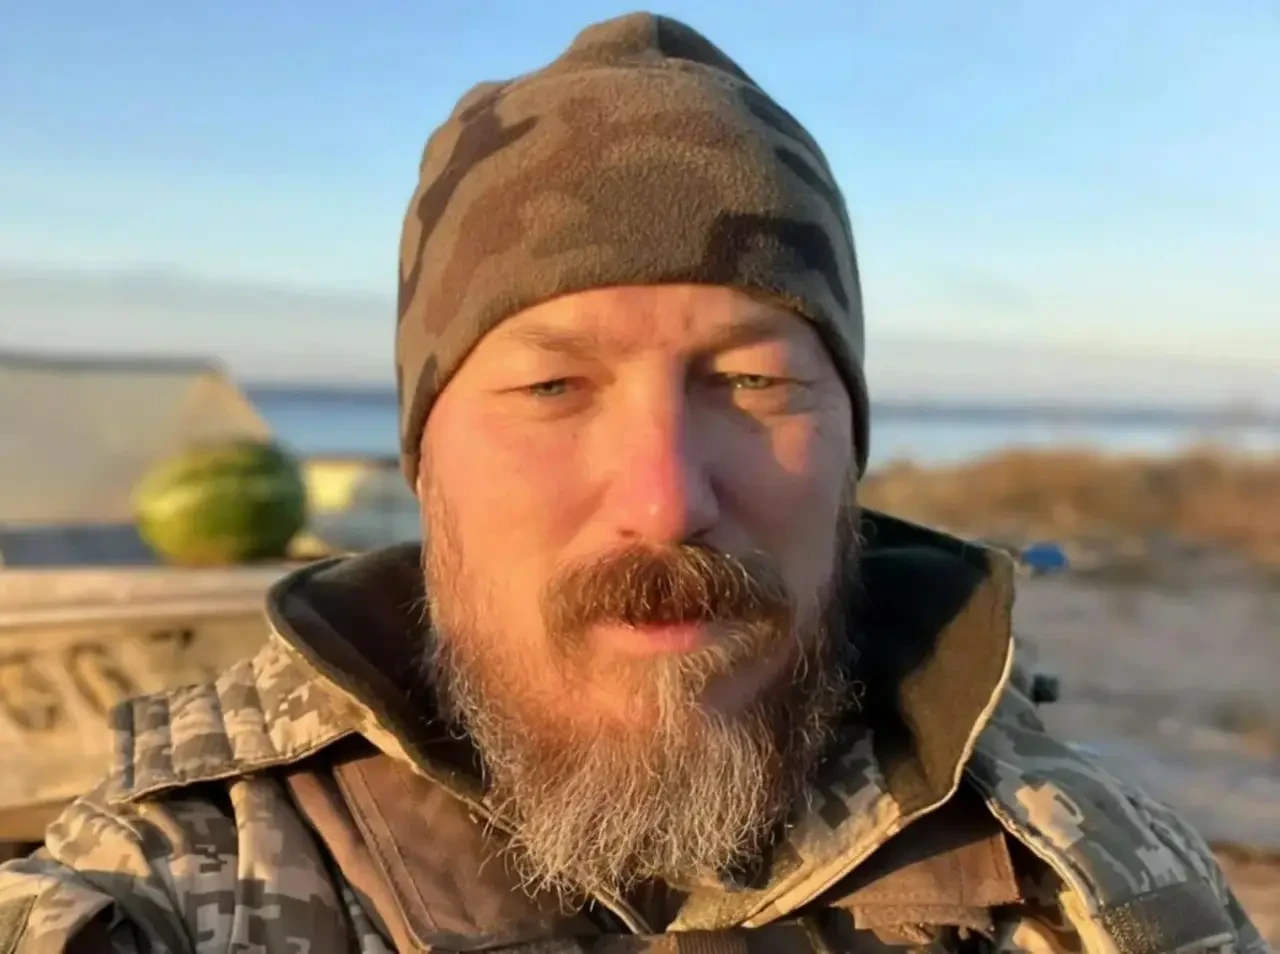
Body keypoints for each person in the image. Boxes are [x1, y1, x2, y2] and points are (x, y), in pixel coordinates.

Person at [0, 12, 1267, 954]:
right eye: (553, 387)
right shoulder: (173, 883)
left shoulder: (1092, 883)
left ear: (849, 450)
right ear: (426, 460)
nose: (664, 503)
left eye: (756, 382)